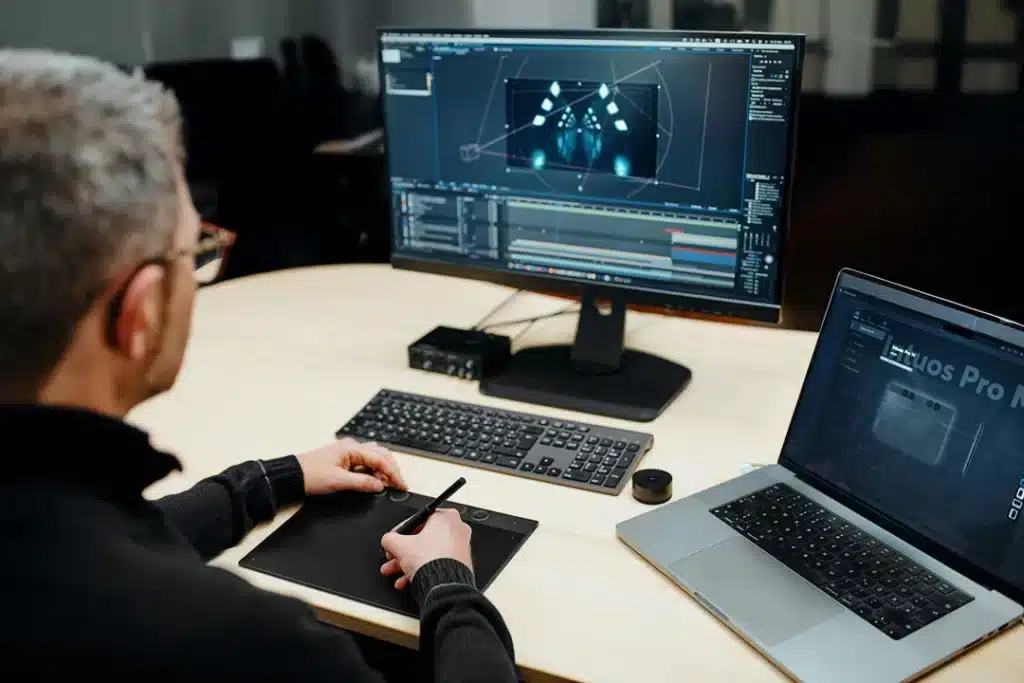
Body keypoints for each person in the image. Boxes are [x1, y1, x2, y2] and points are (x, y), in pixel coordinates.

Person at [0, 49, 519, 682]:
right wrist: (449, 586)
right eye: (197, 250)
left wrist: (266, 481)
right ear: (138, 315)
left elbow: (81, 546)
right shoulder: (247, 646)